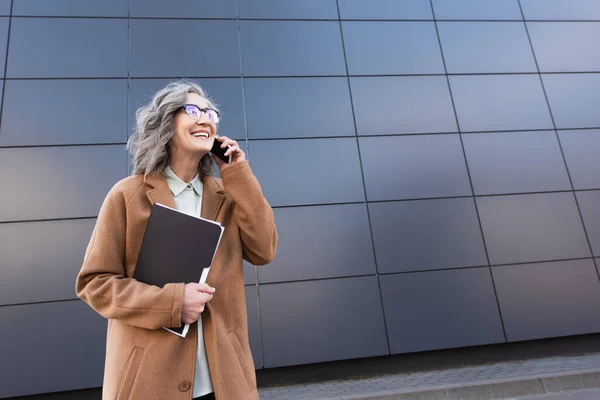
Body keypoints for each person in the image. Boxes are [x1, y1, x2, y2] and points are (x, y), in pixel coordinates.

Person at [75, 80, 278, 400]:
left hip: (225, 383)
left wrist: (238, 172)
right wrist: (171, 303)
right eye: (194, 110)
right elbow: (95, 284)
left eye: (212, 113)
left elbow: (264, 250)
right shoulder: (128, 196)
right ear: (167, 122)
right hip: (149, 383)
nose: (206, 119)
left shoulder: (229, 195)